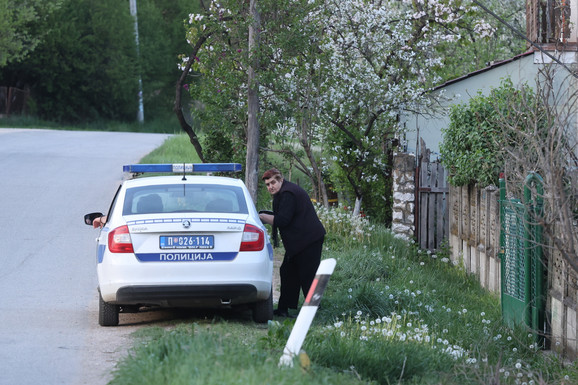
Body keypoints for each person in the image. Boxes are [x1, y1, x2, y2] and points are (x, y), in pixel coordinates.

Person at [259, 168, 326, 318]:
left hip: (309, 239)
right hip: (300, 241)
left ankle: (314, 310)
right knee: (288, 272)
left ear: (281, 180)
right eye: (268, 185)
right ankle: (283, 309)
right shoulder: (283, 193)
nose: (270, 187)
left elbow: (282, 220)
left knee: (307, 275)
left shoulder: (288, 194)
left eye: (273, 183)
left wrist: (262, 217)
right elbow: (281, 215)